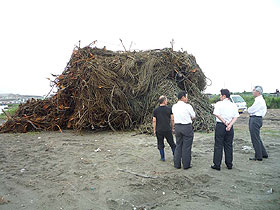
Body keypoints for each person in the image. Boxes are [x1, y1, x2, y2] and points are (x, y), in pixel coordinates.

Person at [211, 89, 239, 171]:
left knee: (218, 145)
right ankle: (229, 164)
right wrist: (230, 125)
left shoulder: (219, 104)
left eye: (220, 95)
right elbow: (236, 116)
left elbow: (216, 114)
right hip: (230, 127)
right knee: (229, 145)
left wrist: (225, 122)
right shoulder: (233, 105)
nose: (220, 97)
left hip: (220, 126)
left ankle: (217, 164)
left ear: (224, 96)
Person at [172, 91, 195, 170]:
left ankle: (177, 164)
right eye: (186, 97)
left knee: (178, 145)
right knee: (186, 147)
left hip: (177, 126)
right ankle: (186, 165)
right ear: (183, 97)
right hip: (186, 127)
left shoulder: (174, 106)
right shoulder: (188, 106)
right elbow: (193, 116)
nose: (187, 98)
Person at [153, 95, 176, 161]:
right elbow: (172, 119)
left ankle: (162, 158)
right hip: (167, 129)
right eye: (166, 100)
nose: (167, 101)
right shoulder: (169, 109)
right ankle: (175, 156)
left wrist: (154, 130)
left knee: (160, 144)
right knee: (172, 143)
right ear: (164, 101)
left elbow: (154, 121)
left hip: (159, 130)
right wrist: (172, 128)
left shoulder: (155, 110)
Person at [248, 86, 268, 161]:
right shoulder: (260, 100)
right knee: (257, 137)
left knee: (255, 138)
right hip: (258, 119)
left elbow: (251, 110)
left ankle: (258, 156)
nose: (253, 92)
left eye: (254, 90)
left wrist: (248, 109)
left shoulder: (259, 100)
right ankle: (263, 153)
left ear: (258, 92)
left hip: (255, 119)